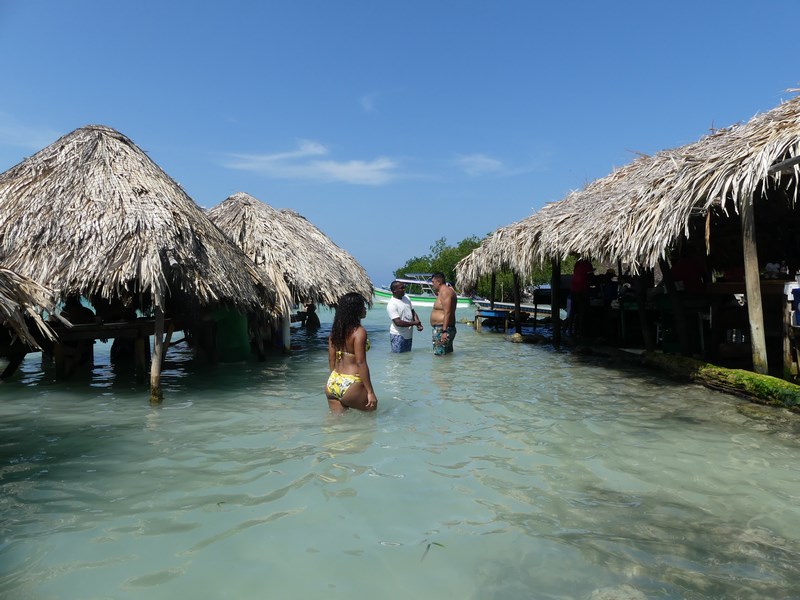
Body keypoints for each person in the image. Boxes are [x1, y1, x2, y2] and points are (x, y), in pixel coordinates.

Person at [325, 292, 377, 412]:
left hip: (333, 381)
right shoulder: (359, 332)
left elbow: (331, 360)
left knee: (335, 424)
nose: (365, 309)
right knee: (370, 417)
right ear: (356, 310)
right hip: (351, 382)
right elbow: (360, 363)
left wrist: (335, 380)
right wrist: (370, 392)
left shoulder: (334, 332)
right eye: (363, 306)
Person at [386, 280, 423, 352]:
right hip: (397, 336)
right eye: (401, 288)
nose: (404, 289)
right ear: (394, 290)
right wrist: (414, 323)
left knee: (406, 359)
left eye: (404, 287)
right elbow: (398, 322)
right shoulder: (392, 304)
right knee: (397, 360)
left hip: (409, 335)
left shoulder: (406, 298)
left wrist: (418, 324)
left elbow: (413, 312)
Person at [430, 272, 457, 356]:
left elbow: (447, 312)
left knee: (439, 356)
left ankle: (441, 370)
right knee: (446, 356)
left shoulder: (445, 292)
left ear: (439, 282)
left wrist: (444, 331)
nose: (432, 284)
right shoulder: (443, 292)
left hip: (442, 329)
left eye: (433, 282)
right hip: (443, 328)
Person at [567, 258, 594, 336]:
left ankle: (570, 330)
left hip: (574, 289)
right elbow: (591, 277)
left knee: (573, 311)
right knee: (582, 311)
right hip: (582, 290)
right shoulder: (587, 264)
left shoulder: (577, 263)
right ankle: (579, 331)